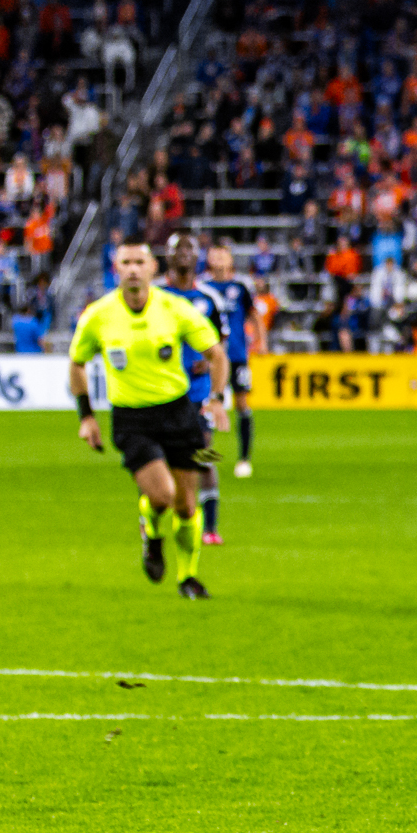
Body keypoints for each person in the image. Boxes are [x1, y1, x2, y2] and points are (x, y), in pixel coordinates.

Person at [68, 240, 229, 599]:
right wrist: (86, 418)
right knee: (163, 494)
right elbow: (77, 362)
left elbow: (217, 354)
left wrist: (216, 399)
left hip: (178, 412)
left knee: (187, 503)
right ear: (116, 268)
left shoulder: (175, 308)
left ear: (153, 267)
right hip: (132, 419)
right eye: (126, 262)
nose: (133, 269)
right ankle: (152, 534)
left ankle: (188, 577)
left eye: (140, 261)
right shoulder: (98, 314)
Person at [163, 232, 229, 542]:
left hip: (198, 392)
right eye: (179, 248)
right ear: (168, 255)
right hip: (162, 393)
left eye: (190, 247)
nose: (185, 253)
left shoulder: (209, 299)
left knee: (204, 454)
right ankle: (153, 518)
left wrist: (210, 362)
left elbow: (221, 346)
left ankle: (211, 528)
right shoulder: (156, 296)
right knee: (158, 459)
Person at [203, 243, 259, 477]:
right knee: (206, 406)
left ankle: (244, 459)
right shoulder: (202, 287)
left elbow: (254, 313)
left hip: (237, 356)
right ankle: (205, 457)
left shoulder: (241, 285)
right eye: (213, 254)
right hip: (210, 358)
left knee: (242, 404)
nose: (218, 259)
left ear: (230, 259)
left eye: (222, 254)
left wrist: (260, 340)